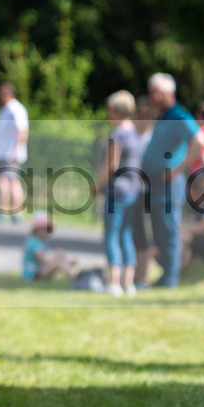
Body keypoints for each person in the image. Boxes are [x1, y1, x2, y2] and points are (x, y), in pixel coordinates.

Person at [140, 72, 204, 287]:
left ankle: (171, 278)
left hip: (168, 185)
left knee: (169, 231)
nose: (155, 97)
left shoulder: (179, 115)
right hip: (155, 185)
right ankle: (165, 275)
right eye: (152, 93)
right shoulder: (162, 116)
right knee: (159, 231)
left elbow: (200, 141)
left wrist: (178, 169)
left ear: (172, 93)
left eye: (159, 93)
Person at [92, 91, 141, 296]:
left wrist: (95, 185)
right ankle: (128, 283)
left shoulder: (118, 134)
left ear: (117, 111)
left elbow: (111, 164)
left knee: (111, 235)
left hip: (117, 190)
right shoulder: (135, 133)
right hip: (133, 189)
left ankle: (113, 283)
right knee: (126, 235)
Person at [0, 81, 28, 223]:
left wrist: (17, 150)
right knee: (10, 181)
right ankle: (12, 212)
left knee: (7, 181)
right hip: (4, 152)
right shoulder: (7, 109)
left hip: (9, 153)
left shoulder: (15, 109)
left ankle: (6, 211)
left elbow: (22, 130)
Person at [130, 96, 157, 287]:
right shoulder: (130, 134)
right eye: (139, 113)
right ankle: (133, 275)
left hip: (146, 192)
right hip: (131, 191)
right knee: (131, 234)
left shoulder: (153, 138)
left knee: (143, 234)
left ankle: (143, 276)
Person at [22, 212, 79, 281]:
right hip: (32, 275)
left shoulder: (42, 242)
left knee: (62, 261)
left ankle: (76, 276)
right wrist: (57, 256)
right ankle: (76, 277)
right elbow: (45, 260)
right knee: (58, 262)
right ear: (37, 229)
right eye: (45, 229)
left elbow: (48, 255)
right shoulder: (33, 242)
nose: (47, 232)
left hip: (40, 270)